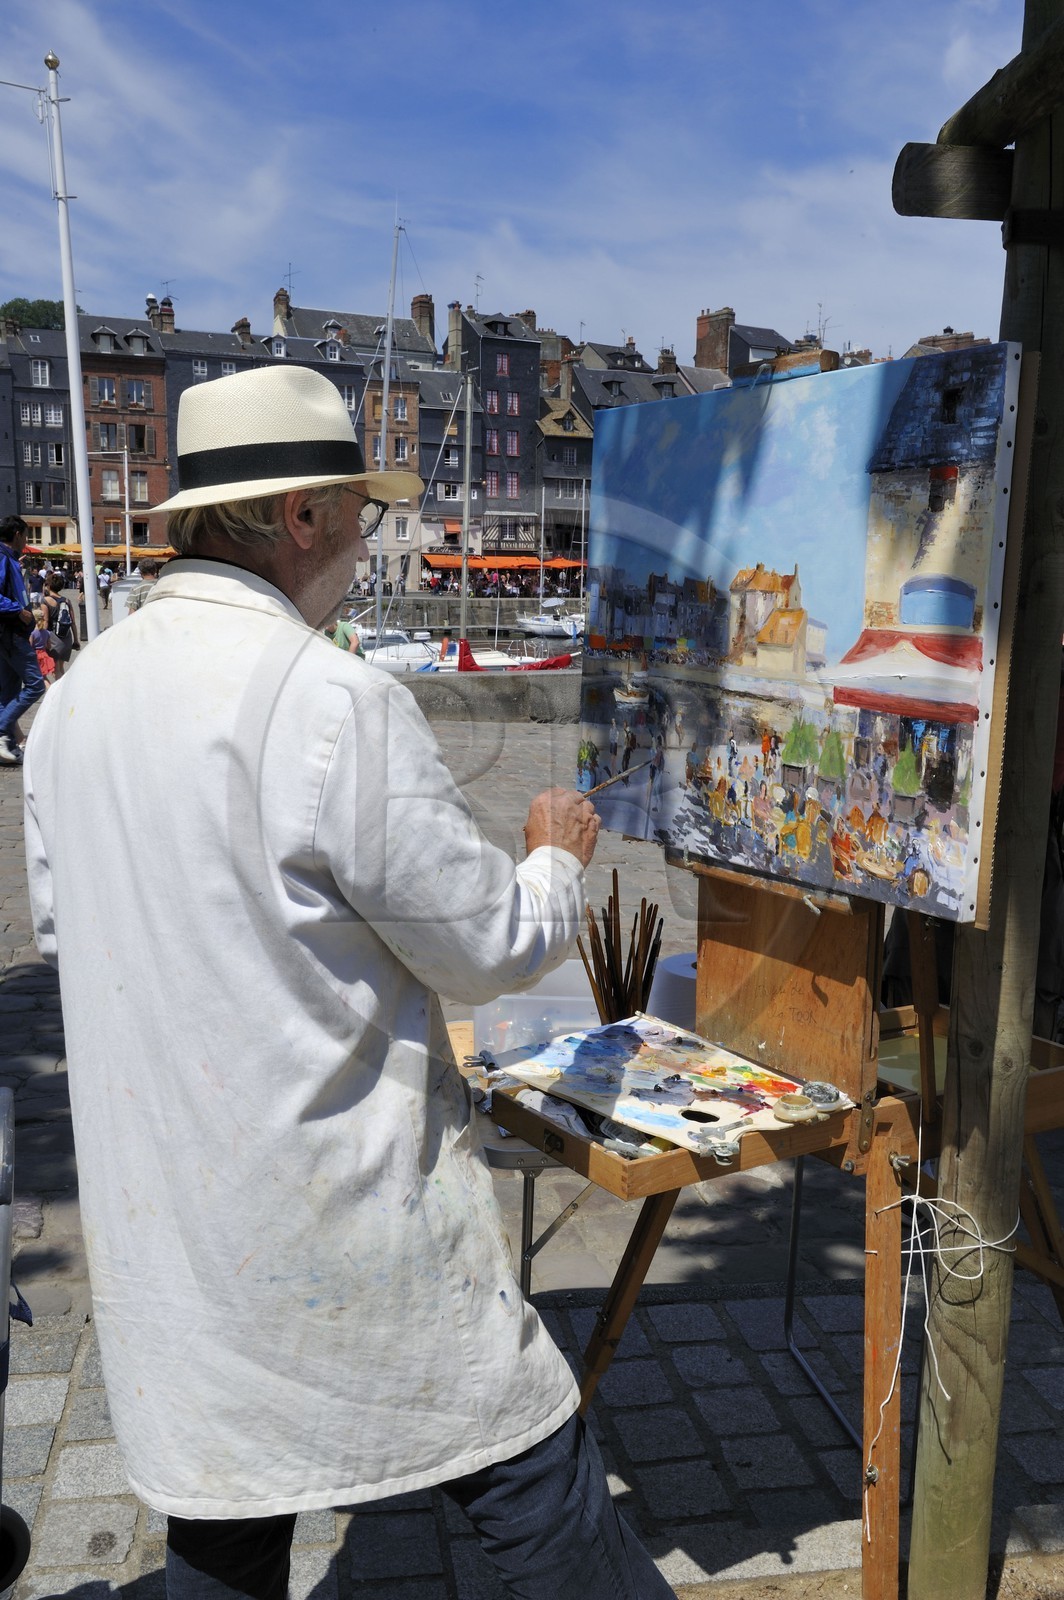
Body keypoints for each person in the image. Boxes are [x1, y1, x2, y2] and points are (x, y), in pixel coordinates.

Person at [23, 365, 671, 1600]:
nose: (368, 549)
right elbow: (480, 946)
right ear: (303, 518)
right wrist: (549, 856)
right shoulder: (330, 702)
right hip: (337, 1206)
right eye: (359, 516)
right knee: (526, 1469)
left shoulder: (74, 702)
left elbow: (70, 935)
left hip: (178, 1219)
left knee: (224, 1507)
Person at [0, 515, 45, 766]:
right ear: (17, 533)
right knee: (36, 685)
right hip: (11, 632)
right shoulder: (3, 557)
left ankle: (5, 746)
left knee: (7, 692)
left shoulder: (9, 559)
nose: (26, 540)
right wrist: (18, 609)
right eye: (26, 535)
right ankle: (1, 731)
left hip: (8, 634)